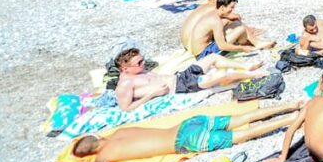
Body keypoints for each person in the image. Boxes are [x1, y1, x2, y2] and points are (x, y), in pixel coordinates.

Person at [69, 102, 302, 162]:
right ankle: (292, 106)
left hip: (185, 141)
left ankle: (291, 120)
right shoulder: (120, 131)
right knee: (242, 119)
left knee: (243, 135)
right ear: (97, 138)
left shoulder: (104, 155)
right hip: (186, 125)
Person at [113, 47, 266, 111]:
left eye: (142, 60)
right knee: (220, 75)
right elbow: (126, 108)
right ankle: (253, 75)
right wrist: (152, 95)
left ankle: (246, 66)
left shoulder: (136, 72)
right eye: (139, 63)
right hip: (182, 86)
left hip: (181, 76)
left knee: (212, 57)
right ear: (125, 69)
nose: (143, 64)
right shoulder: (125, 85)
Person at [181, 0, 275, 58]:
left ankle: (257, 43)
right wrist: (242, 48)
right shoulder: (215, 19)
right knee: (240, 28)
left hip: (194, 47)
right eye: (231, 8)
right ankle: (253, 43)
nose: (232, 10)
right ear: (222, 6)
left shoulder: (213, 14)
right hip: (203, 54)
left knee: (237, 26)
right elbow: (222, 46)